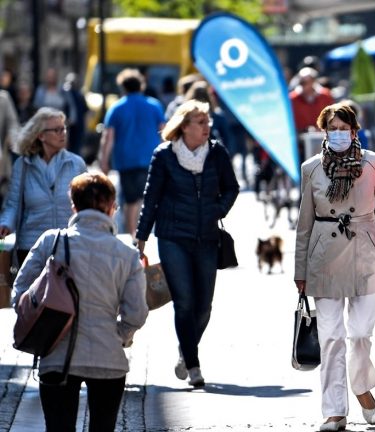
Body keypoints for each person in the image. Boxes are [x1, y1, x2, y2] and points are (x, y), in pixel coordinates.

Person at [11, 171, 148, 432]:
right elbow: (137, 313)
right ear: (111, 207)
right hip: (108, 359)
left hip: (56, 355)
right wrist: (118, 335)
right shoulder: (127, 255)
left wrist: (45, 326)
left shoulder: (51, 241)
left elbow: (20, 294)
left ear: (73, 205)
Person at [293, 103, 375, 432]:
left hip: (365, 251)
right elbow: (303, 222)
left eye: (343, 127)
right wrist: (300, 269)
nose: (338, 133)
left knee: (361, 333)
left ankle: (361, 385)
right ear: (324, 131)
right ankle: (334, 412)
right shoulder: (311, 168)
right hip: (323, 255)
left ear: (354, 130)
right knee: (331, 337)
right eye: (331, 128)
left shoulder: (373, 163)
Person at [135, 100, 239, 388]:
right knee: (184, 302)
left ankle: (186, 348)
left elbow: (232, 187)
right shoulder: (164, 155)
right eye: (201, 122)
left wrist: (217, 210)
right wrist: (140, 238)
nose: (208, 127)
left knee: (204, 306)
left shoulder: (217, 153)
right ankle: (193, 366)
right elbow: (151, 199)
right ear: (184, 126)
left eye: (208, 122)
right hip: (172, 237)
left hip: (207, 236)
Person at [0, 108, 87, 265]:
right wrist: (5, 224)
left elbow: (87, 206)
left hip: (67, 247)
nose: (63, 133)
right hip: (31, 248)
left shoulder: (76, 164)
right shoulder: (23, 165)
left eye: (64, 128)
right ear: (40, 136)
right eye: (56, 129)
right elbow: (13, 203)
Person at [99, 68, 165, 238]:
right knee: (148, 197)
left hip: (126, 159)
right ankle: (147, 234)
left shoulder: (116, 108)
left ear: (123, 87)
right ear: (141, 85)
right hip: (151, 158)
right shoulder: (154, 105)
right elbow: (164, 131)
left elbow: (109, 137)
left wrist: (104, 160)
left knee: (130, 200)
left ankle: (133, 236)